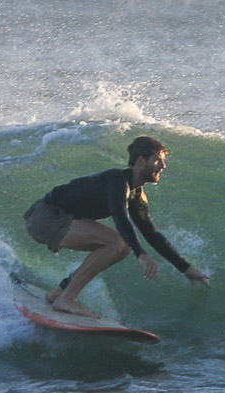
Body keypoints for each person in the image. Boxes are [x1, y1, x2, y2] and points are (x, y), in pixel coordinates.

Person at [22, 135, 210, 318]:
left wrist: (185, 268)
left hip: (60, 219)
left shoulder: (137, 195)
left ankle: (60, 292)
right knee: (116, 243)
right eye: (158, 160)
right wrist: (142, 255)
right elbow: (121, 218)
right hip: (45, 217)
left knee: (121, 248)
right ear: (141, 161)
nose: (163, 166)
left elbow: (151, 233)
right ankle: (68, 298)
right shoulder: (117, 181)